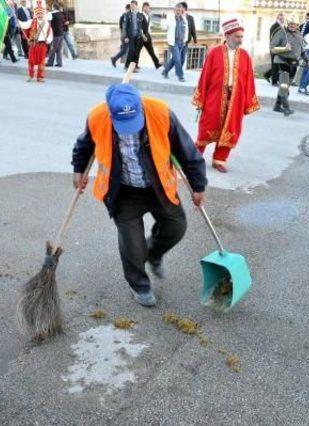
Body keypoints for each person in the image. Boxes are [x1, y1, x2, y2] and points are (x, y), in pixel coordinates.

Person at [72, 84, 207, 307]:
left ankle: (154, 253)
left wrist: (198, 185)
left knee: (176, 227)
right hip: (123, 191)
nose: (131, 130)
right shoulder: (98, 117)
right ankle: (139, 285)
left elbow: (187, 151)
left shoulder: (161, 113)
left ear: (141, 107)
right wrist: (78, 170)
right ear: (110, 112)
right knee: (132, 247)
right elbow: (84, 145)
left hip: (157, 186)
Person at [193, 19, 259, 173]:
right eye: (237, 36)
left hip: (236, 98)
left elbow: (249, 79)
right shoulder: (214, 52)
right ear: (227, 36)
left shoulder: (245, 56)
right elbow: (205, 77)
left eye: (241, 36)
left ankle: (219, 160)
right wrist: (200, 100)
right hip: (214, 97)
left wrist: (248, 102)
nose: (240, 40)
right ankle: (194, 159)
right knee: (206, 128)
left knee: (231, 129)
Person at [270, 19, 302, 115]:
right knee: (283, 86)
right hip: (282, 62)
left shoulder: (299, 35)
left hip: (293, 64)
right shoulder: (281, 33)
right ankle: (286, 108)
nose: (292, 25)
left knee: (286, 88)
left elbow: (302, 49)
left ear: (297, 25)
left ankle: (277, 106)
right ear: (288, 24)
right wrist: (284, 48)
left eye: (294, 24)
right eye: (291, 24)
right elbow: (272, 48)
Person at [19, 0, 52, 82]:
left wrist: (48, 40)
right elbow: (24, 25)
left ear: (43, 13)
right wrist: (18, 21)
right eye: (38, 13)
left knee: (42, 62)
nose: (39, 14)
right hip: (34, 44)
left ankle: (40, 77)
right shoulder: (32, 21)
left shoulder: (47, 23)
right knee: (31, 61)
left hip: (42, 45)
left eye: (41, 13)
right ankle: (30, 76)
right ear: (36, 13)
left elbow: (50, 33)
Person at [161, 3, 187, 82]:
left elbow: (186, 31)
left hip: (181, 43)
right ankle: (180, 76)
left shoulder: (184, 19)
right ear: (174, 10)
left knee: (174, 60)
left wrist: (184, 41)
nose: (178, 11)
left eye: (180, 10)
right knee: (178, 59)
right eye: (177, 10)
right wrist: (163, 18)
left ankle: (165, 72)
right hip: (173, 43)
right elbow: (163, 27)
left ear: (182, 10)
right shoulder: (170, 19)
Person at [121, 0, 145, 72]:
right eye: (131, 5)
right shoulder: (127, 15)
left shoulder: (140, 15)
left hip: (137, 37)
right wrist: (125, 37)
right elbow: (125, 27)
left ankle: (133, 66)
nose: (132, 6)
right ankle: (127, 66)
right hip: (130, 36)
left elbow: (141, 27)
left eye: (133, 5)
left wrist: (142, 35)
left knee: (136, 52)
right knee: (132, 50)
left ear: (136, 6)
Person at [263, 11, 285, 85]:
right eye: (280, 15)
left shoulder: (282, 26)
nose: (282, 17)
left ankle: (267, 75)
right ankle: (274, 81)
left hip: (281, 48)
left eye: (283, 15)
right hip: (275, 48)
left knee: (279, 64)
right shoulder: (275, 26)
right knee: (275, 64)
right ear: (277, 17)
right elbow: (273, 38)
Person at [138, 2, 161, 69]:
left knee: (151, 50)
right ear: (144, 7)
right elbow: (139, 27)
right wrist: (143, 35)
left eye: (149, 8)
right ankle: (134, 65)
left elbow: (148, 26)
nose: (148, 9)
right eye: (147, 7)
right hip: (141, 36)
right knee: (137, 51)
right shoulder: (140, 15)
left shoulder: (148, 16)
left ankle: (157, 64)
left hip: (147, 35)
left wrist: (149, 35)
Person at [110, 4, 130, 68]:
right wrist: (125, 36)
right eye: (128, 9)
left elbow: (121, 28)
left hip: (125, 35)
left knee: (126, 50)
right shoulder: (125, 17)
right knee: (125, 50)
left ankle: (115, 59)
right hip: (126, 36)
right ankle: (115, 59)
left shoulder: (123, 16)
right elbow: (124, 27)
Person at [46, 1, 64, 67]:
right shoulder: (60, 13)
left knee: (52, 49)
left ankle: (50, 63)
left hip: (54, 34)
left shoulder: (51, 14)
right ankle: (59, 63)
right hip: (61, 33)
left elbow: (48, 24)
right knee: (59, 49)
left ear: (53, 7)